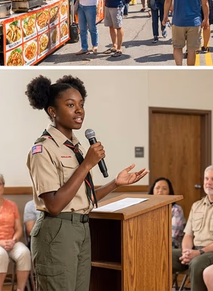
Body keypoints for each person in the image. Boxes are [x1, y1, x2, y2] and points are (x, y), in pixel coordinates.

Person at [25, 75, 148, 291]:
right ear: (52, 111)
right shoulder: (43, 149)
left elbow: (84, 198)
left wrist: (115, 183)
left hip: (82, 228)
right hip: (57, 231)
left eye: (81, 104)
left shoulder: (76, 147)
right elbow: (54, 205)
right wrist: (86, 165)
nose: (79, 110)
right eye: (70, 105)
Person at [148, 177, 186, 248]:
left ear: (169, 192)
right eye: (157, 188)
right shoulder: (146, 209)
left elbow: (174, 236)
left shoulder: (176, 209)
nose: (160, 191)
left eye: (164, 188)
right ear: (152, 191)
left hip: (171, 245)